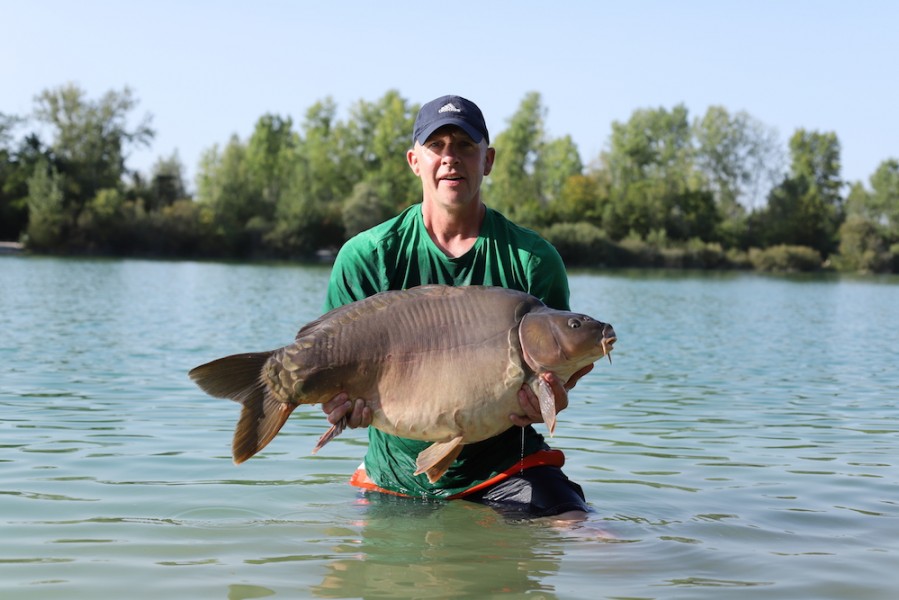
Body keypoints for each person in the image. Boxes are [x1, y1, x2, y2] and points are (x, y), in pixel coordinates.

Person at [321, 94, 594, 520]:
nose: (451, 158)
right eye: (437, 146)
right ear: (415, 160)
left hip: (507, 471)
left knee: (589, 534)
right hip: (393, 477)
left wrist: (550, 401)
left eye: (466, 146)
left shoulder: (533, 259)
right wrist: (339, 406)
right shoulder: (367, 256)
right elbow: (334, 372)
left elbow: (553, 386)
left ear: (488, 160)